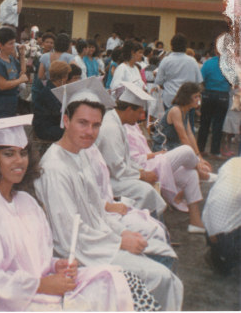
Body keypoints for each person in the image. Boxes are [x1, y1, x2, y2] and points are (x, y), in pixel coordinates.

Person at [0, 115, 135, 311]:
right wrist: (41, 285)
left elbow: (35, 260)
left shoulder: (26, 201)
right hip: (17, 304)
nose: (19, 161)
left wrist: (55, 265)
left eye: (23, 153)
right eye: (9, 154)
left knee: (117, 280)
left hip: (45, 291)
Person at [35, 78, 183, 311]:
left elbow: (96, 211)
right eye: (82, 123)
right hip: (81, 253)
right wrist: (119, 241)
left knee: (162, 250)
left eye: (96, 125)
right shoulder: (55, 168)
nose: (89, 132)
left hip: (99, 238)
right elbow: (67, 235)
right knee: (160, 275)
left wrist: (122, 232)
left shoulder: (81, 154)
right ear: (65, 120)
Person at [97, 83, 166, 217]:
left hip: (115, 174)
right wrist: (141, 175)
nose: (141, 117)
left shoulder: (119, 123)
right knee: (144, 190)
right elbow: (116, 167)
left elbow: (126, 159)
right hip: (106, 178)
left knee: (148, 185)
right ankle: (133, 219)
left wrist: (141, 171)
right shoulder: (111, 127)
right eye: (139, 112)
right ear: (129, 109)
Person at [125, 120, 207, 233]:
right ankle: (201, 173)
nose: (142, 116)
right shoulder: (120, 128)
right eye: (139, 112)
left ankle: (195, 222)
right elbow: (133, 159)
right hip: (145, 168)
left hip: (154, 161)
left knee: (190, 175)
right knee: (186, 150)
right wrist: (155, 154)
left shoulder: (132, 125)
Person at [152, 82, 213, 179]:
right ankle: (201, 174)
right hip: (163, 148)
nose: (198, 100)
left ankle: (201, 174)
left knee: (201, 166)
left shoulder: (185, 111)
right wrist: (197, 161)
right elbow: (183, 137)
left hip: (173, 146)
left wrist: (199, 157)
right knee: (198, 169)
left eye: (199, 97)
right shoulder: (176, 110)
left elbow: (190, 135)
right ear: (187, 97)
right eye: (195, 97)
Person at [202, 157, 241, 274]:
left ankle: (219, 254)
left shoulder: (233, 162)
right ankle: (225, 259)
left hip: (210, 231)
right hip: (226, 239)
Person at [0, 27, 28, 119]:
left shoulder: (11, 59)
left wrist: (22, 55)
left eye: (14, 42)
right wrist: (19, 80)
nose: (13, 46)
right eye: (10, 43)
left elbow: (22, 72)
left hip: (10, 103)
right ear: (1, 45)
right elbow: (2, 85)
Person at [155, 33, 203, 110]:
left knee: (170, 121)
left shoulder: (166, 60)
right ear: (185, 46)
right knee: (186, 121)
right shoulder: (192, 61)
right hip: (188, 99)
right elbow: (198, 82)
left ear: (171, 45)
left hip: (170, 99)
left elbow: (159, 81)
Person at [197, 51, 231, 157]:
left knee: (204, 123)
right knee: (218, 124)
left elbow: (201, 79)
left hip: (208, 94)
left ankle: (200, 149)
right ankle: (215, 151)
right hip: (223, 95)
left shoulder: (208, 63)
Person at [32, 61, 70, 142]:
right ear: (64, 77)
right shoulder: (48, 92)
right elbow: (57, 113)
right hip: (46, 128)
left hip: (51, 124)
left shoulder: (51, 88)